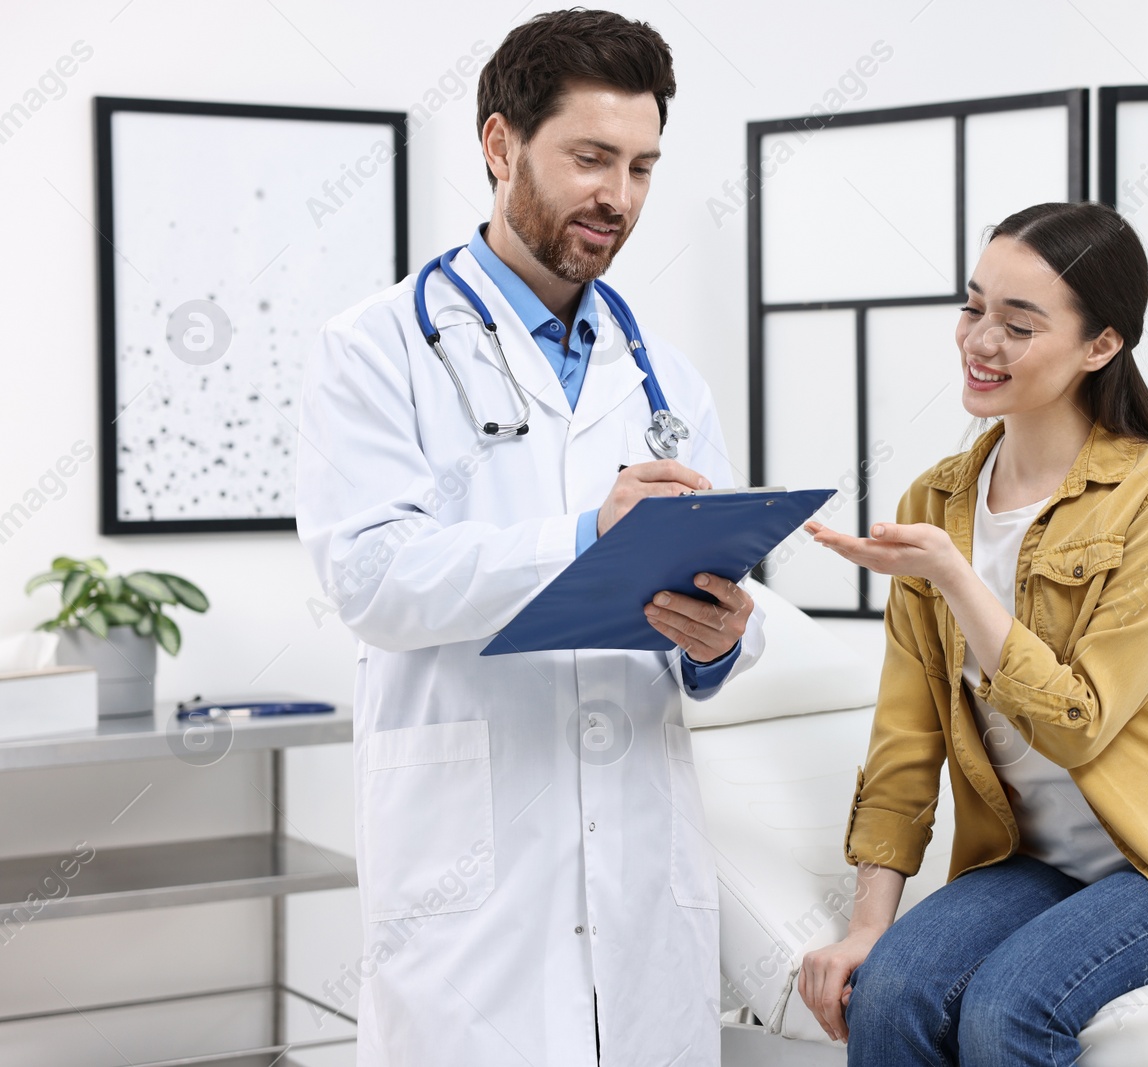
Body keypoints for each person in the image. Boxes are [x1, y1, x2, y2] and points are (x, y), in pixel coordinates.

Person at [294, 10, 763, 1065]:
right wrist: (586, 535)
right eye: (590, 157)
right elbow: (369, 578)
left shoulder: (665, 379)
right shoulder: (376, 348)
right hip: (471, 869)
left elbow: (733, 607)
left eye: (641, 165)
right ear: (501, 143)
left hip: (642, 864)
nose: (620, 196)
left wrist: (721, 639)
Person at [796, 200, 1148, 1065]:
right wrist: (864, 929)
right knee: (888, 991)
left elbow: (1078, 721)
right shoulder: (933, 504)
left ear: (1100, 345)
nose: (980, 340)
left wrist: (958, 579)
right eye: (973, 308)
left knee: (1007, 1012)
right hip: (1041, 864)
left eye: (1019, 324)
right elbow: (906, 741)